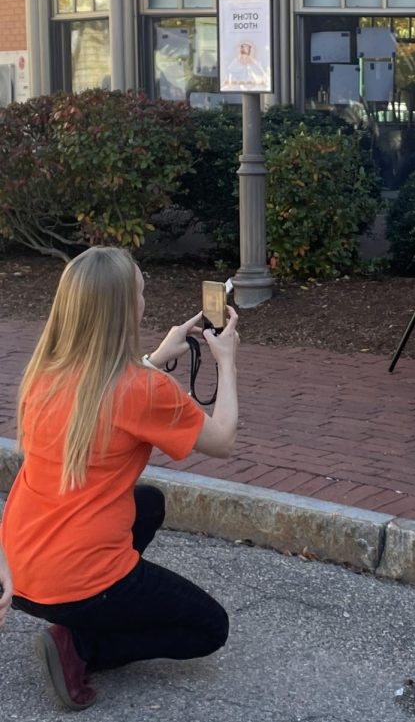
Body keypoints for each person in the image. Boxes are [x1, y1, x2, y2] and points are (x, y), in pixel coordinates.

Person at [0, 246, 241, 711]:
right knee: (210, 628)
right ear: (125, 308)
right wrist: (227, 361)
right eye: (141, 291)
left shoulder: (44, 371)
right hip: (71, 579)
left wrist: (155, 356)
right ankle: (84, 646)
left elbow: (102, 397)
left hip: (19, 568)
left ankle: (81, 616)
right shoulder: (143, 390)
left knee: (148, 502)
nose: (145, 298)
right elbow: (224, 439)